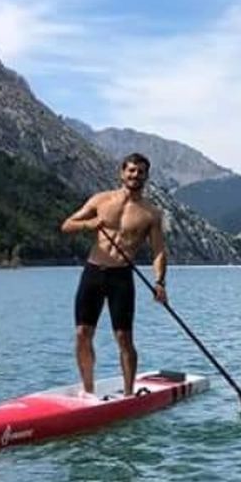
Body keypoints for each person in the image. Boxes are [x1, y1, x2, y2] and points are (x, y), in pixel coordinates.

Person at [60, 152, 168, 397]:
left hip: (121, 277)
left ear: (146, 177)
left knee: (124, 338)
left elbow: (159, 251)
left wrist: (160, 282)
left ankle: (129, 395)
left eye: (141, 172)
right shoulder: (101, 200)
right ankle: (88, 391)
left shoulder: (151, 213)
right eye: (131, 170)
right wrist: (89, 224)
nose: (135, 175)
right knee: (82, 334)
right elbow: (67, 225)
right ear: (122, 173)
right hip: (93, 272)